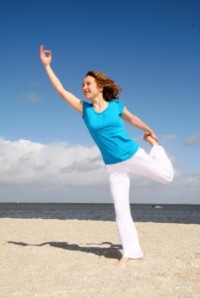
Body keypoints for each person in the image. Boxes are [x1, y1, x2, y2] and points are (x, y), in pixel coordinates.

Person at [39, 45, 174, 264]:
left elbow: (133, 119)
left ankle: (157, 150)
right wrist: (47, 66)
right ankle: (132, 252)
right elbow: (62, 92)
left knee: (167, 178)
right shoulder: (85, 110)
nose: (84, 87)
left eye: (88, 83)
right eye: (82, 84)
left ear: (100, 86)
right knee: (121, 211)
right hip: (113, 166)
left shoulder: (115, 106)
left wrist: (149, 133)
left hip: (133, 155)